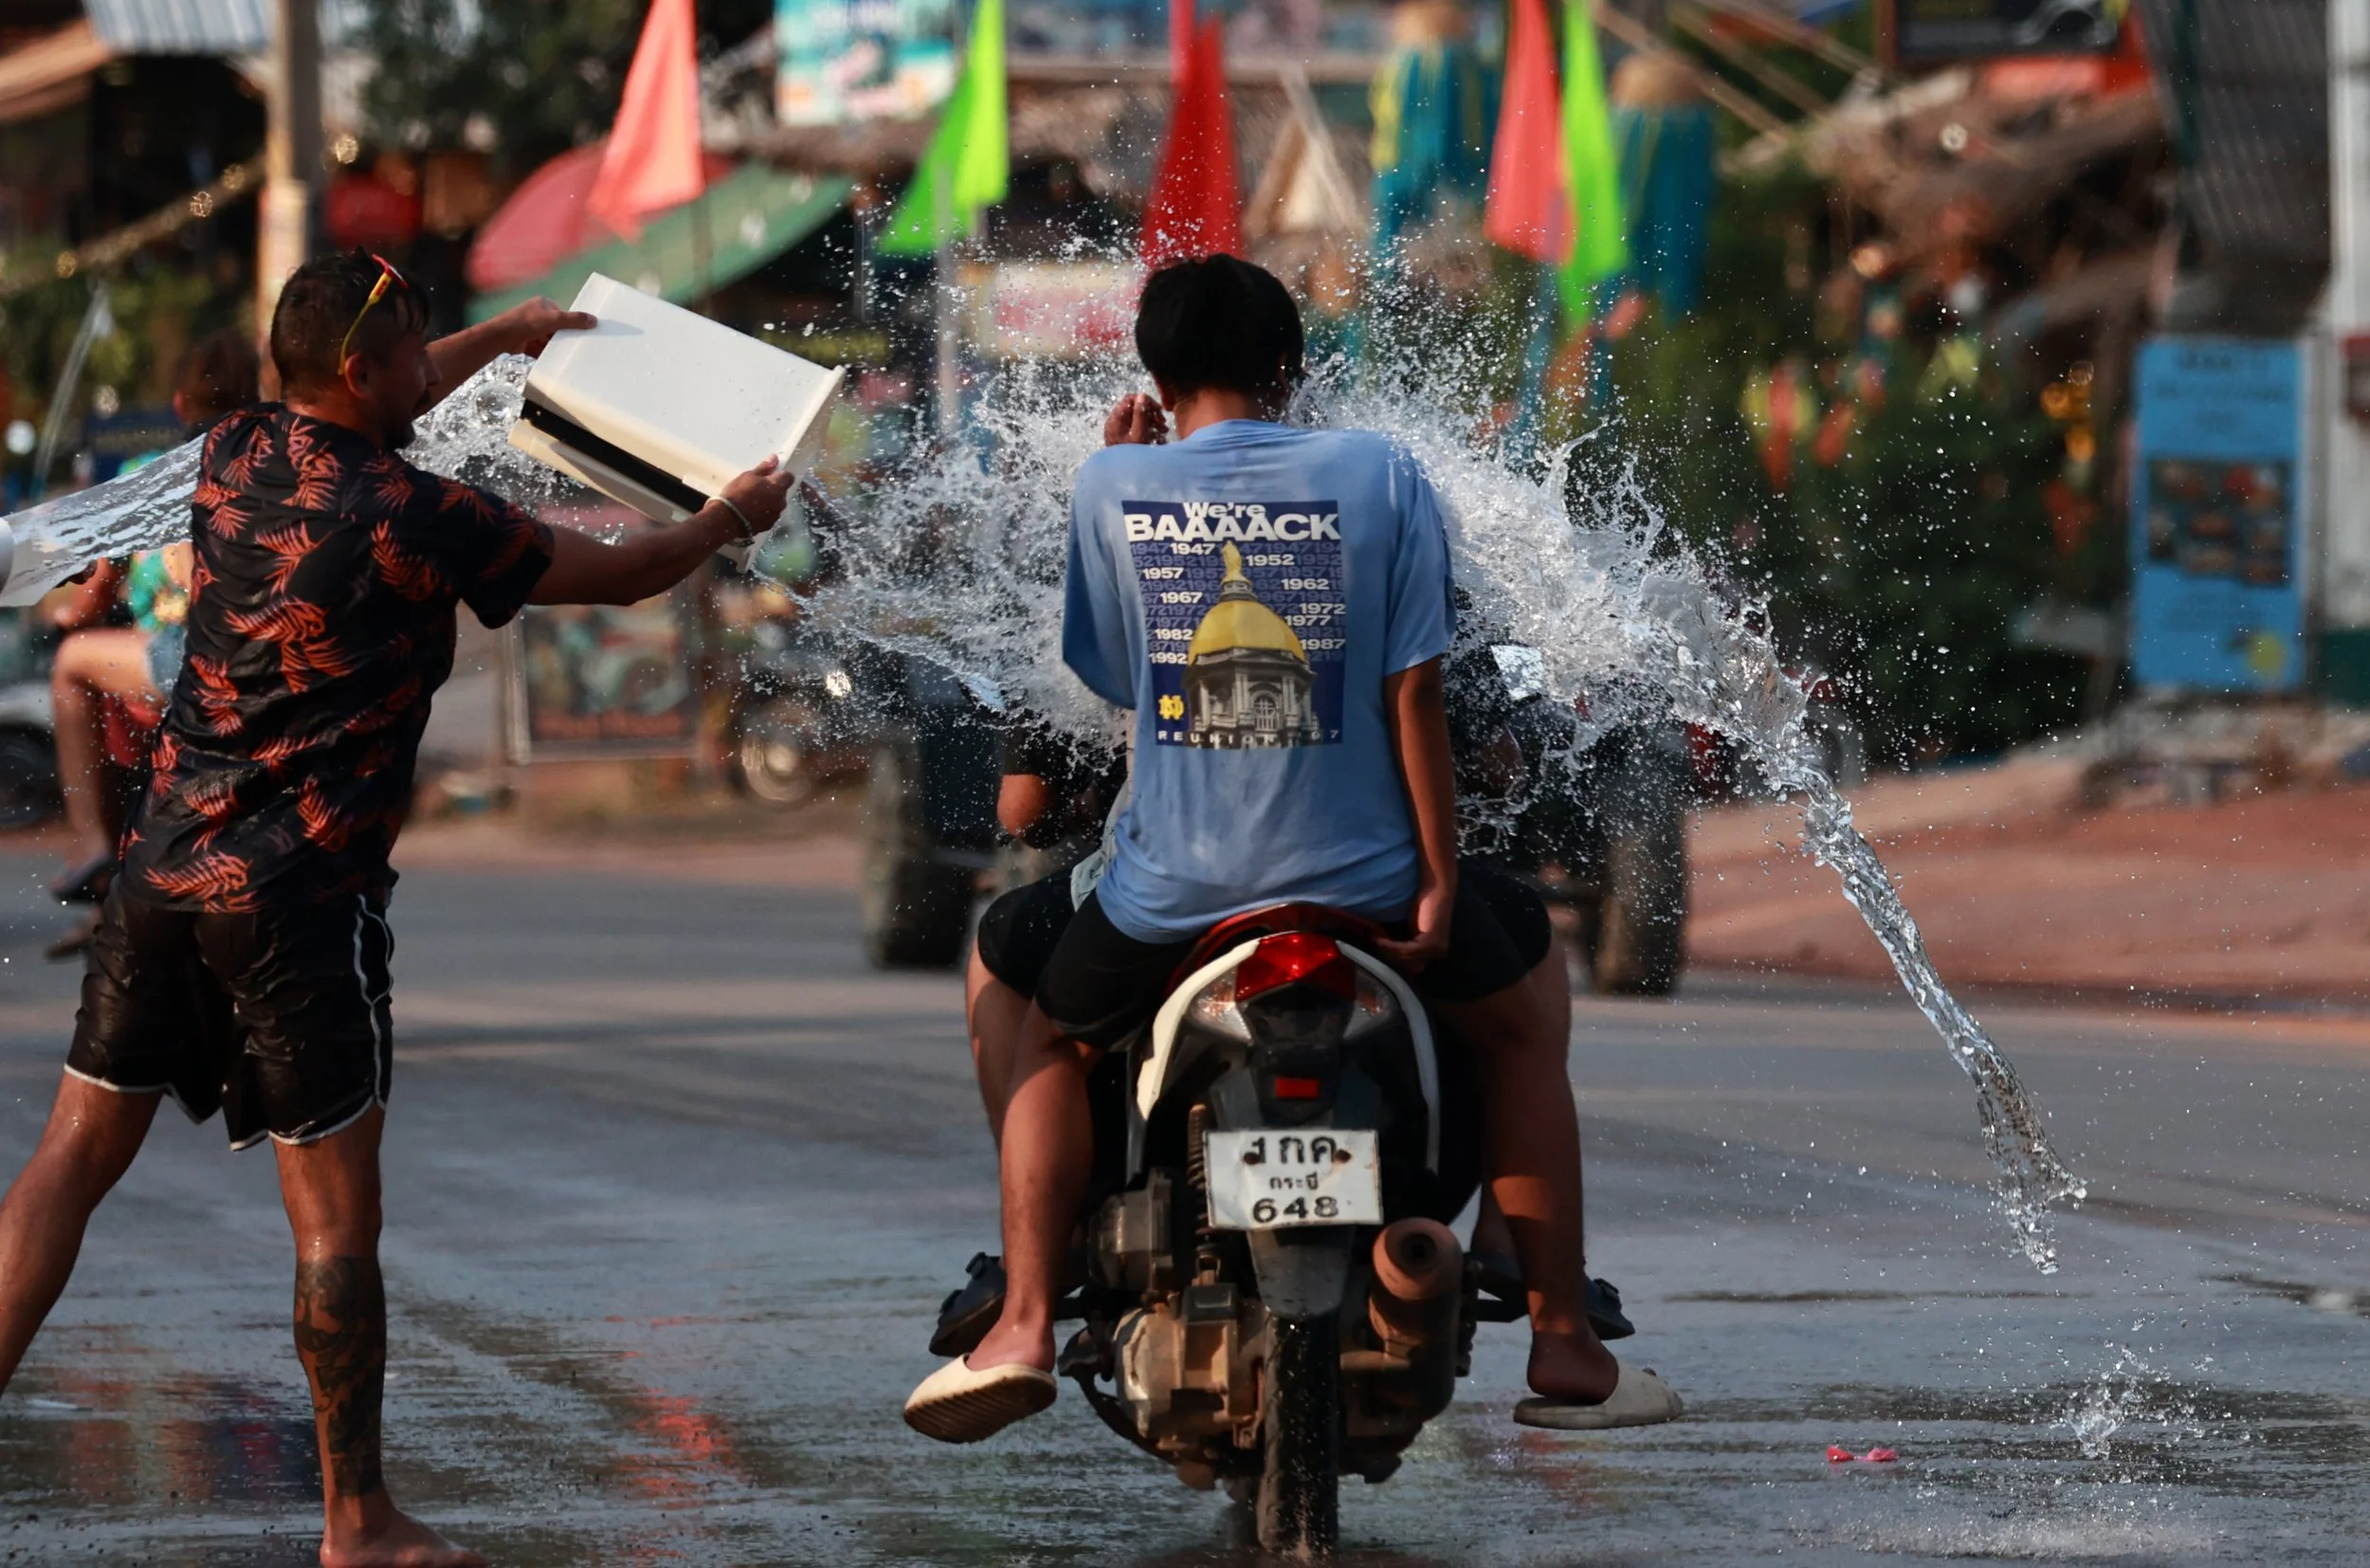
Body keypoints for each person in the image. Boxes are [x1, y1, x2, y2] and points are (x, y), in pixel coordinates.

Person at [0, 250, 793, 1568]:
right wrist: (725, 518)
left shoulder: (236, 447)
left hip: (160, 873)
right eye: (417, 352)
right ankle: (355, 1518)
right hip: (296, 902)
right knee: (334, 1222)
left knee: (66, 1166)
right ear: (364, 374)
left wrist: (518, 331)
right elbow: (625, 569)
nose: (436, 369)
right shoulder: (422, 515)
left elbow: (389, 379)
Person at [903, 256, 1681, 1444]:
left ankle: (1019, 1320)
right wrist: (1428, 882)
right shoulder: (1384, 472)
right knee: (1521, 1019)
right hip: (1367, 885)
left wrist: (1128, 472)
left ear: (1157, 381)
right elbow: (1415, 694)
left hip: (1171, 894)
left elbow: (1117, 681)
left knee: (1051, 1038)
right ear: (1292, 367)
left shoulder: (1114, 482)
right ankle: (1564, 1339)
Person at [46, 331, 263, 917]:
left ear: (179, 405)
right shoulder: (274, 468)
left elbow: (91, 602)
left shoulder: (149, 478)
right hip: (264, 654)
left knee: (72, 664)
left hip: (184, 657)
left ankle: (91, 843)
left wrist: (69, 615)